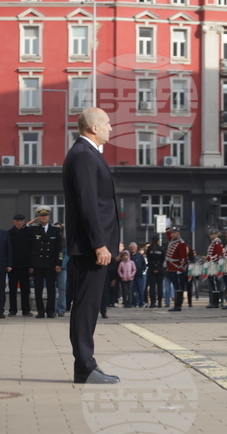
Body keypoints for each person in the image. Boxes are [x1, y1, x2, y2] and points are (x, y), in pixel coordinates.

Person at [63, 107, 120, 384]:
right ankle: (85, 368)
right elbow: (88, 204)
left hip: (90, 245)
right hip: (90, 247)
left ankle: (85, 366)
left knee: (87, 305)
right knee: (86, 306)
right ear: (94, 128)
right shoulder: (84, 155)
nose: (111, 127)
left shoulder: (86, 153)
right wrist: (100, 244)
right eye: (107, 124)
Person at [29, 208, 63, 318]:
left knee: (51, 289)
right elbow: (24, 237)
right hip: (37, 263)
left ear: (49, 217)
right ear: (38, 217)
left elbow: (59, 249)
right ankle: (40, 311)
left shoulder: (55, 230)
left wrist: (59, 263)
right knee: (38, 289)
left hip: (50, 264)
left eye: (46, 215)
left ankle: (50, 311)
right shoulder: (34, 229)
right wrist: (29, 223)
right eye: (42, 215)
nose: (44, 217)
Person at [9, 213, 33, 317]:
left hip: (25, 265)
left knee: (25, 289)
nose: (19, 223)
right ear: (14, 222)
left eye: (21, 221)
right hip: (13, 265)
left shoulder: (28, 233)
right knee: (12, 289)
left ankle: (26, 310)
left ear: (23, 222)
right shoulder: (9, 233)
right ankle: (12, 310)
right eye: (17, 221)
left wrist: (31, 265)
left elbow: (32, 250)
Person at [165, 227, 189, 311]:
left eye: (174, 232)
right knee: (176, 287)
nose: (172, 234)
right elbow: (168, 235)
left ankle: (178, 305)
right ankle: (176, 305)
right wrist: (168, 226)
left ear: (179, 233)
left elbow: (183, 258)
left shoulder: (181, 243)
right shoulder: (173, 241)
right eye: (172, 233)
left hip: (177, 268)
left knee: (179, 287)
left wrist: (180, 268)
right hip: (171, 268)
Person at [145, 239, 165, 307]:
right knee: (160, 286)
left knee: (152, 287)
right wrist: (158, 268)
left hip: (151, 269)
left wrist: (153, 268)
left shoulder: (149, 249)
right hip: (160, 269)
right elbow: (163, 259)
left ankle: (152, 303)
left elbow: (148, 259)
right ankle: (159, 303)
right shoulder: (161, 249)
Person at [130, 243, 147, 307]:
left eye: (134, 247)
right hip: (131, 277)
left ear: (136, 248)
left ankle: (141, 303)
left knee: (140, 290)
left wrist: (142, 270)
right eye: (131, 247)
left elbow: (144, 264)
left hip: (139, 276)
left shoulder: (140, 255)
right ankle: (133, 303)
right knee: (132, 291)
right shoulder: (128, 256)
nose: (132, 248)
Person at [0, 222, 10, 319]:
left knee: (1, 291)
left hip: (1, 266)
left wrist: (9, 264)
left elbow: (9, 250)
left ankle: (0, 310)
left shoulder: (4, 234)